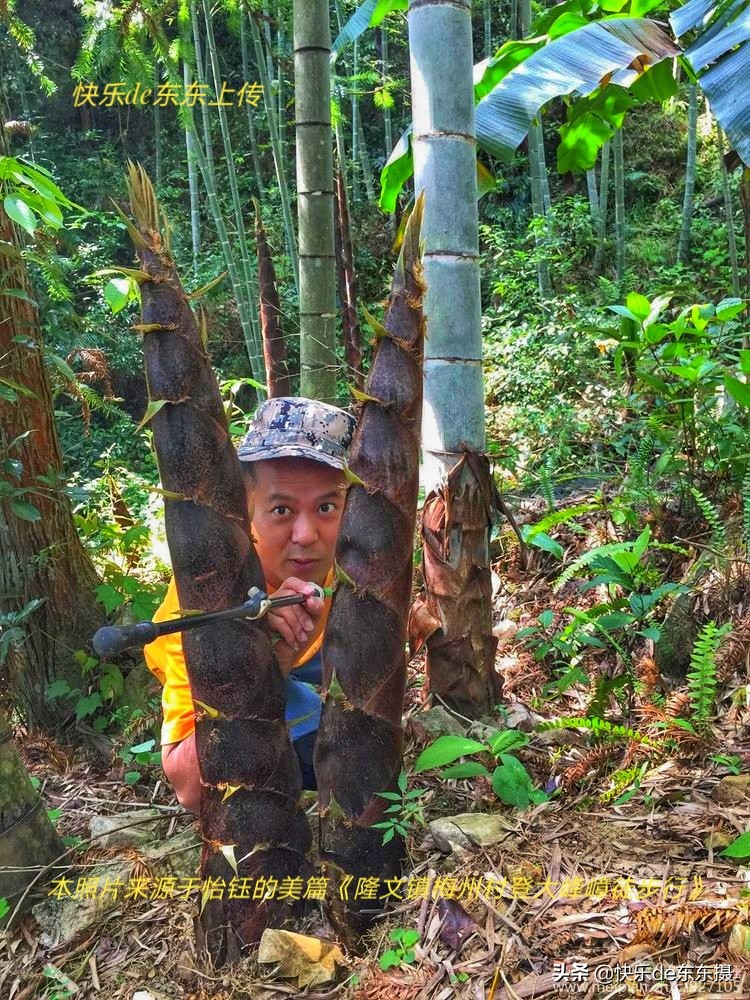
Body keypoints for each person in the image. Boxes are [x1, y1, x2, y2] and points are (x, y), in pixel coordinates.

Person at [143, 397, 356, 814]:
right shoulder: (201, 606)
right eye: (281, 510)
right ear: (245, 510)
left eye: (327, 507)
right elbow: (190, 789)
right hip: (255, 664)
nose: (306, 535)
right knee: (306, 759)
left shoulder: (355, 554)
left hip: (313, 647)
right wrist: (260, 662)